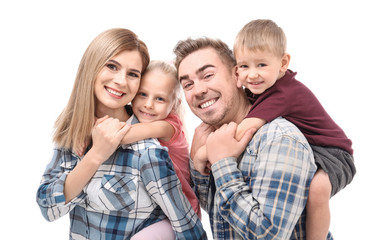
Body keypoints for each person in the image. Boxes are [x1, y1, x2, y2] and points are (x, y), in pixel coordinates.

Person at [36, 28, 206, 240]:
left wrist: (98, 145)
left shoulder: (148, 148)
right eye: (112, 66)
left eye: (133, 74)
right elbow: (48, 208)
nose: (121, 81)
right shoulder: (74, 133)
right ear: (91, 67)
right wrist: (94, 154)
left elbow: (187, 226)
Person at [173, 37, 330, 239]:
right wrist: (198, 164)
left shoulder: (279, 138)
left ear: (237, 75)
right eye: (188, 84)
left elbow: (267, 236)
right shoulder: (212, 140)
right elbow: (218, 215)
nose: (199, 90)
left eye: (208, 75)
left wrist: (221, 163)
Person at [232, 19, 355, 240]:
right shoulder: (260, 87)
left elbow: (244, 130)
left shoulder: (282, 93)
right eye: (244, 66)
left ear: (283, 62)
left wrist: (205, 152)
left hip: (333, 152)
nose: (252, 75)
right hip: (309, 149)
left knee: (317, 190)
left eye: (261, 65)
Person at [121, 60, 201, 239]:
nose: (148, 104)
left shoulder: (168, 126)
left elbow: (124, 135)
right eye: (142, 94)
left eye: (160, 98)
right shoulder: (137, 116)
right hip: (153, 210)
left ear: (175, 104)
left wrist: (88, 133)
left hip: (178, 213)